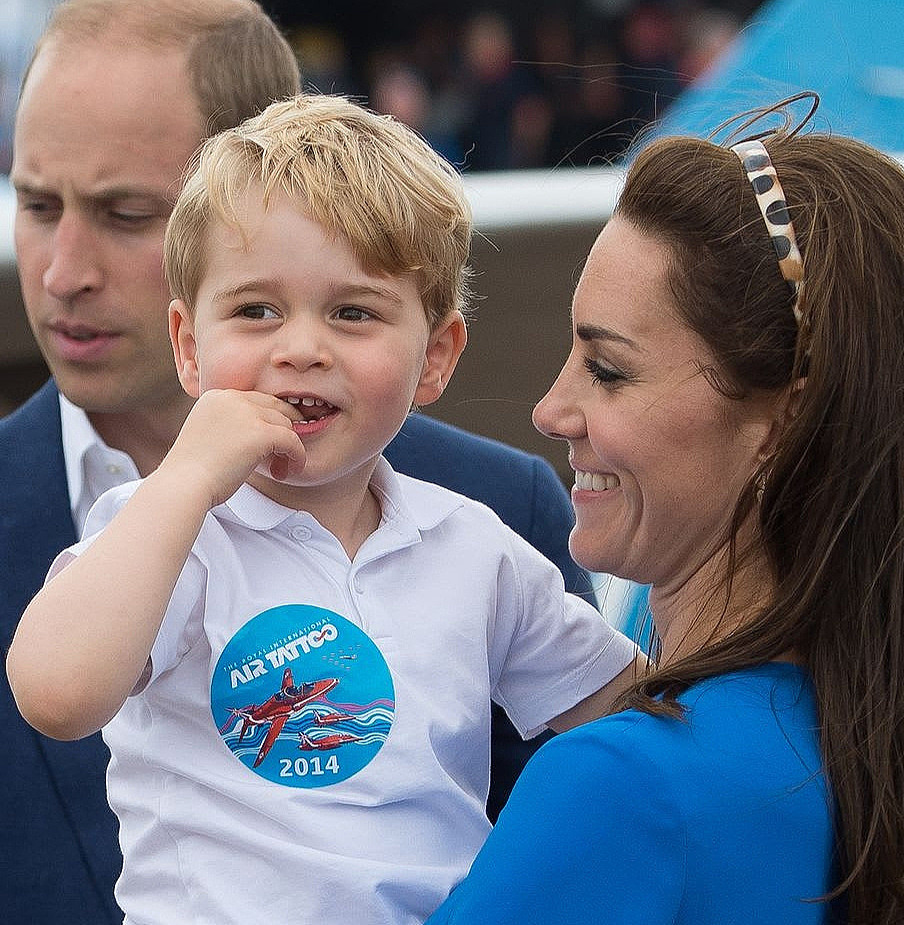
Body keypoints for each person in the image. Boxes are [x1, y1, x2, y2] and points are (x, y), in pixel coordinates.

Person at [0, 1, 591, 922]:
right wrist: (188, 483)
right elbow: (57, 687)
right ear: (189, 335)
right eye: (35, 204)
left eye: (124, 213)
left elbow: (624, 761)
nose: (60, 271)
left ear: (436, 352)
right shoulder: (164, 530)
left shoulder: (493, 521)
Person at [423, 103, 904, 924]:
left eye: (608, 370)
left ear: (782, 423)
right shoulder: (850, 750)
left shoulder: (626, 782)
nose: (550, 409)